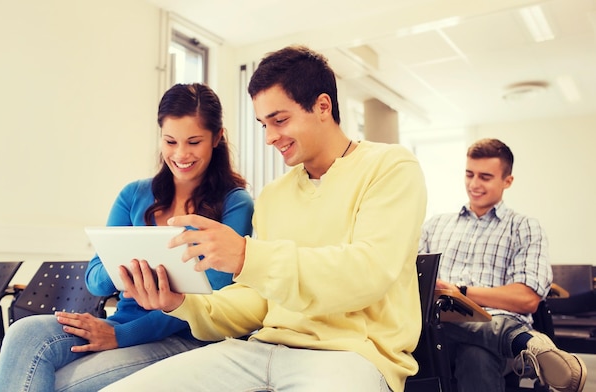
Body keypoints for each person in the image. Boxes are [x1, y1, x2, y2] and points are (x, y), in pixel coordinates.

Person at [99, 45, 427, 392]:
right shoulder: (274, 195)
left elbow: (367, 273)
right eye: (263, 124)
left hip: (351, 355)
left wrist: (245, 256)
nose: (270, 137)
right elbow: (256, 301)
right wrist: (181, 304)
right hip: (261, 350)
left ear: (322, 106)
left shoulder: (391, 167)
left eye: (280, 120)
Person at [0, 83, 254, 392]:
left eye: (194, 142)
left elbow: (212, 301)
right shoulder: (134, 195)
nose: (181, 154)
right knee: (25, 334)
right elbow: (94, 278)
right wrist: (127, 269)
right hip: (121, 322)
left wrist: (120, 337)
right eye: (170, 141)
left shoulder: (235, 203)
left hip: (187, 337)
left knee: (59, 385)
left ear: (217, 138)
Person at [418, 138, 586, 392]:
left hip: (492, 326)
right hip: (434, 327)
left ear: (507, 181)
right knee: (437, 327)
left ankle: (515, 339)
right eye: (469, 174)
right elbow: (414, 279)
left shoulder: (524, 227)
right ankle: (524, 342)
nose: (474, 184)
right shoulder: (435, 224)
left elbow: (527, 298)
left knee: (476, 355)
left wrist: (459, 293)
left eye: (485, 177)